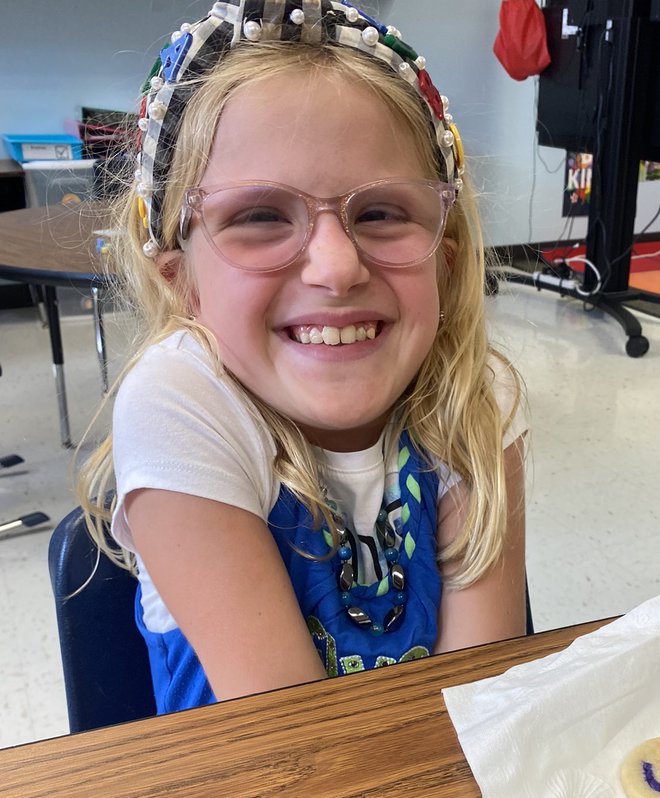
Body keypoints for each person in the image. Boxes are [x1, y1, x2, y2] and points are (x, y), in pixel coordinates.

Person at [78, 1, 527, 715]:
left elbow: (485, 706)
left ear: (444, 260)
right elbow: (297, 751)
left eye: (381, 212)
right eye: (259, 216)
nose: (336, 267)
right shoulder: (179, 402)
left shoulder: (476, 393)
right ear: (181, 278)